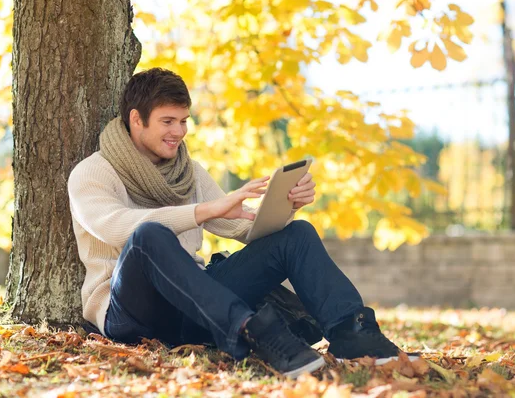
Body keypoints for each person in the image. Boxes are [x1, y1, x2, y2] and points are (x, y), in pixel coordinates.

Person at [67, 68, 415, 379]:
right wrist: (206, 210)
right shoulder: (93, 172)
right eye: (168, 121)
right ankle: (258, 333)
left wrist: (286, 206)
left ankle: (351, 332)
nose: (179, 131)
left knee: (297, 234)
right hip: (133, 313)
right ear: (136, 120)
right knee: (148, 236)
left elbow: (244, 231)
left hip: (196, 308)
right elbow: (115, 227)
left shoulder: (188, 173)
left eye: (184, 121)